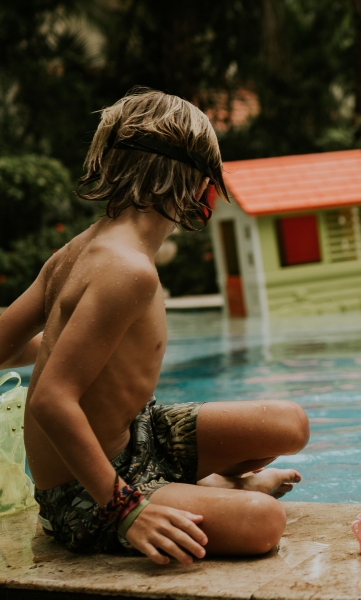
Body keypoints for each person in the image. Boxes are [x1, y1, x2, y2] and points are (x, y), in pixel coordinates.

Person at [0, 88, 309, 565]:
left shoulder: (76, 252)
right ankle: (217, 490)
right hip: (87, 490)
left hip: (142, 434)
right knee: (262, 522)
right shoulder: (127, 269)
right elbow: (49, 399)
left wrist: (58, 350)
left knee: (290, 424)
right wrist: (127, 509)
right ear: (193, 181)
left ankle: (211, 486)